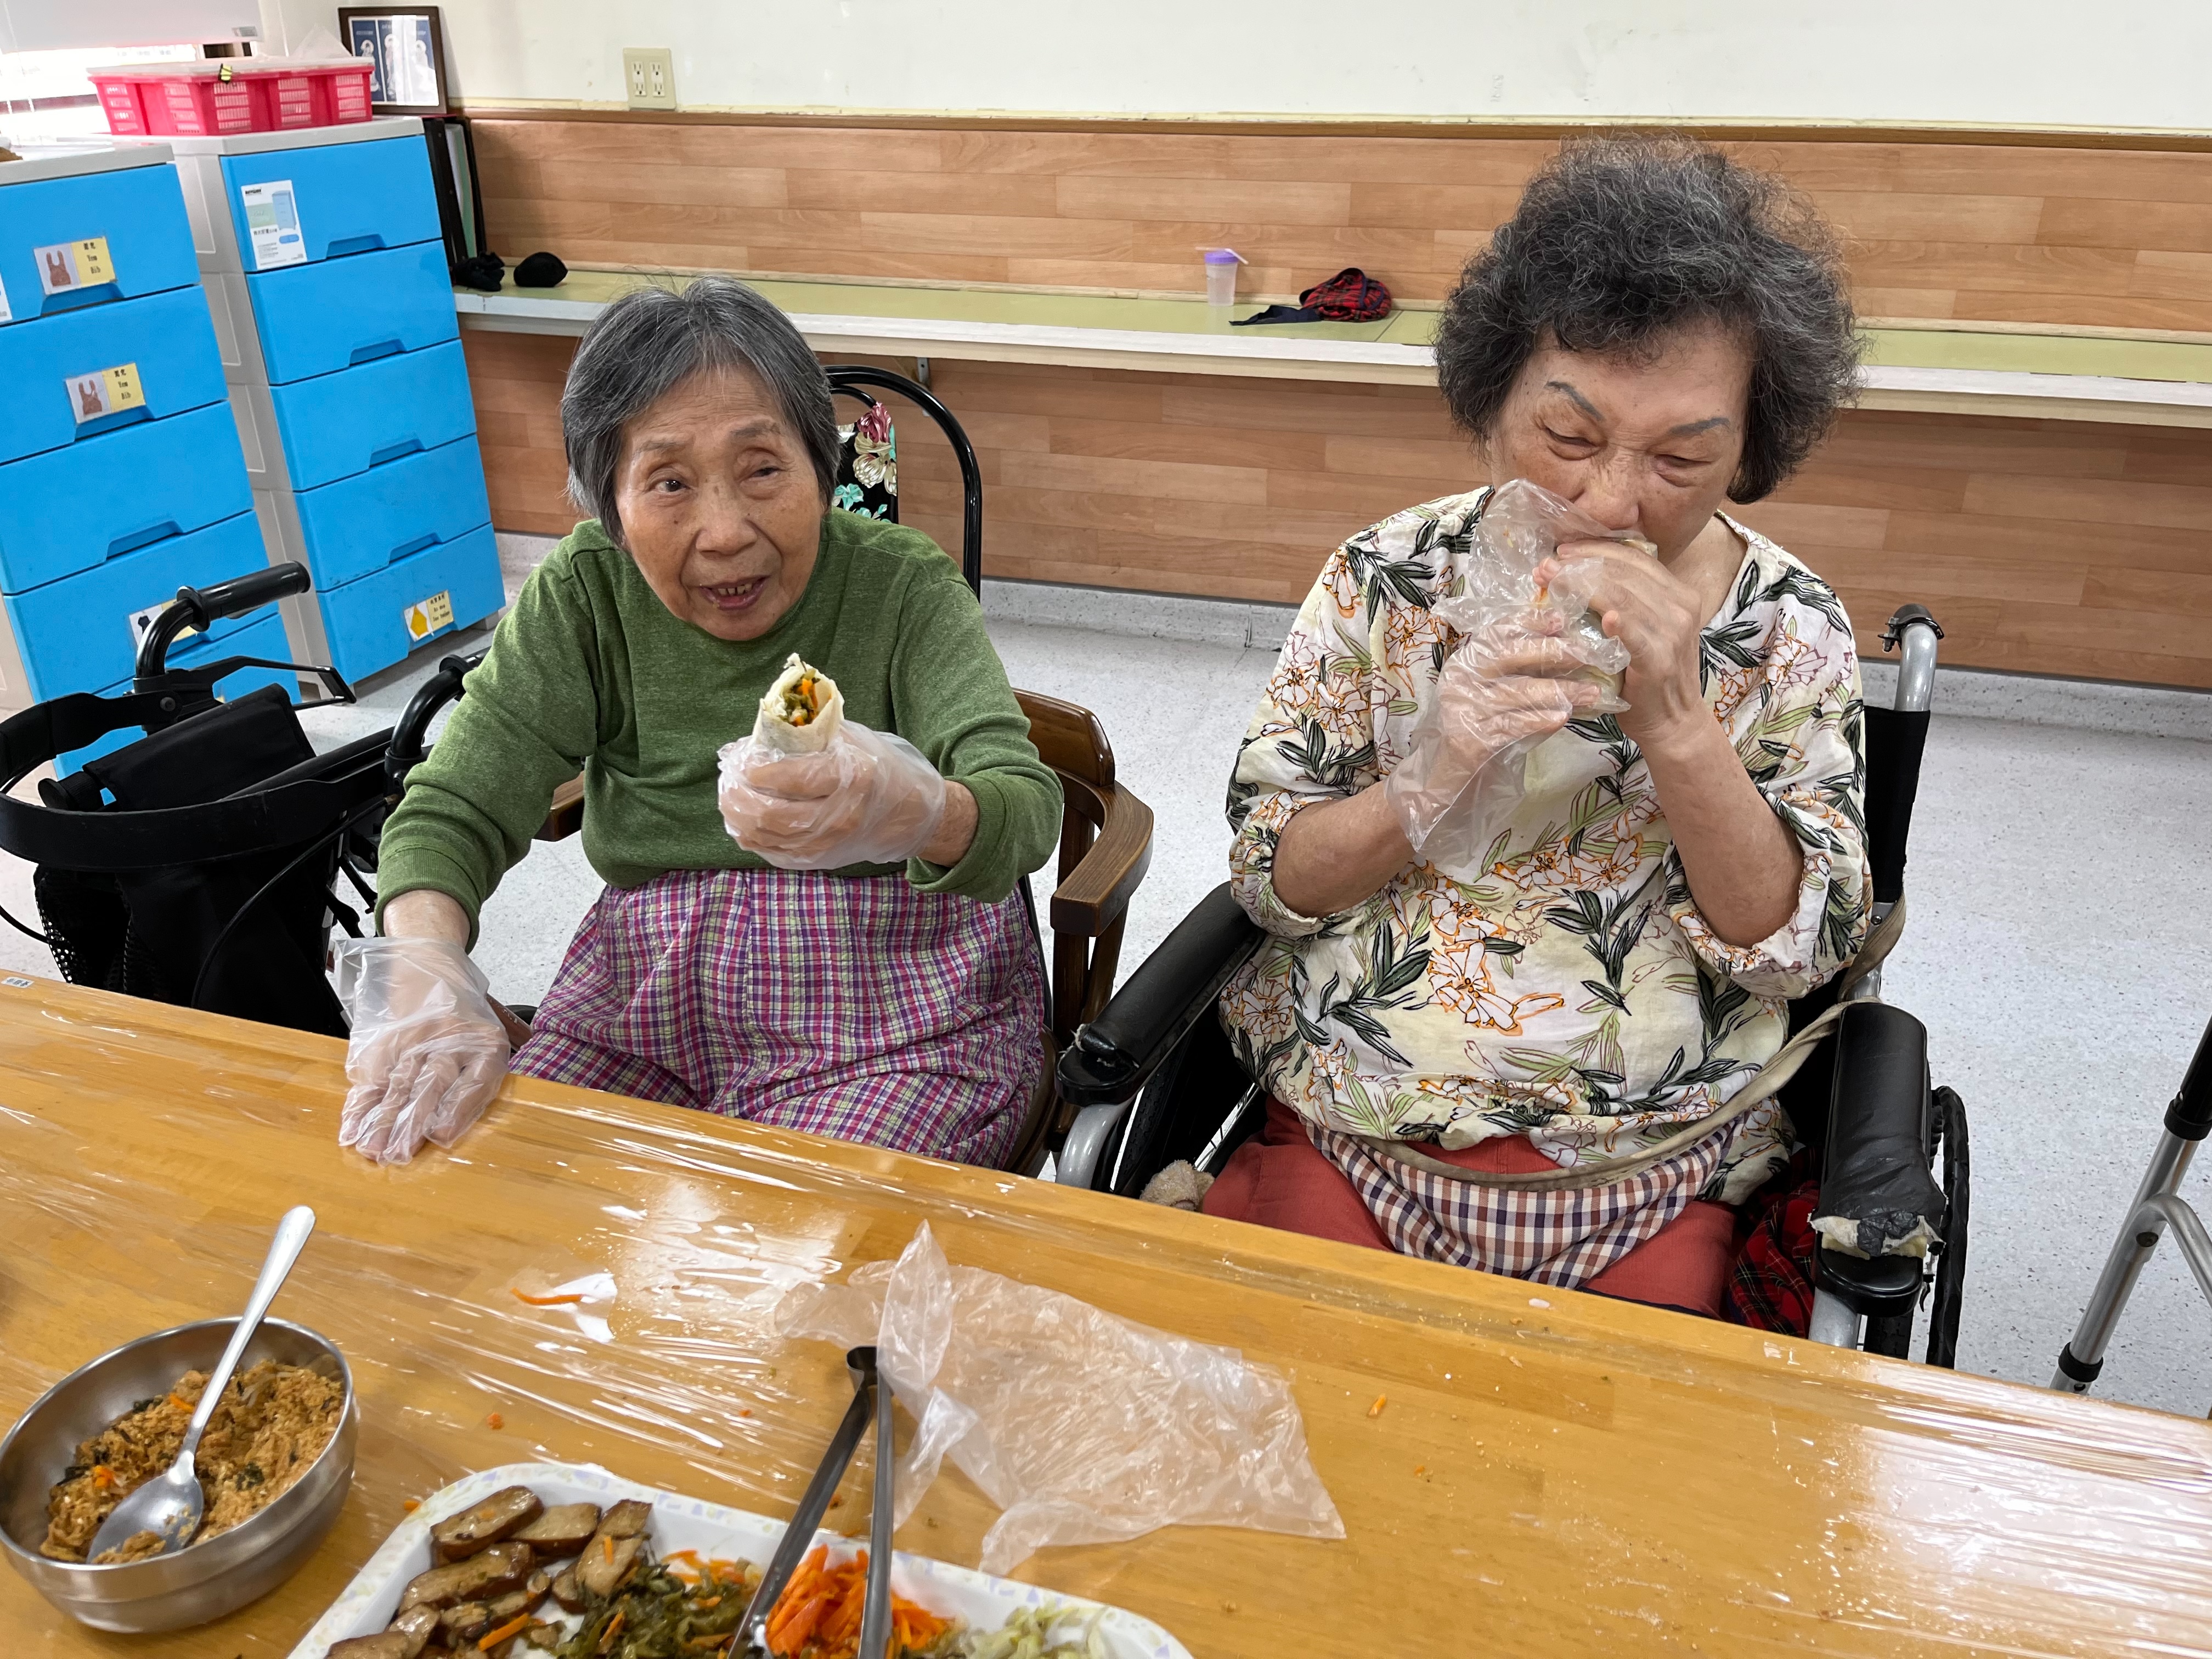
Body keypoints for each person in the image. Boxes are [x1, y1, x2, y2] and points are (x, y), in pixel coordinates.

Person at [1201, 134, 1869, 1317]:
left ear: (1748, 449)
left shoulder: (1791, 628)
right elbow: (1272, 883)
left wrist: (1677, 719)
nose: (1613, 503)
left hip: (1658, 1170)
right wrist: (1434, 766)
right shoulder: (1383, 580)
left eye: (1680, 458)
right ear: (1491, 400)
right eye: (1569, 440)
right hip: (1360, 1133)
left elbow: (1798, 951)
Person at [337, 277, 1060, 1167]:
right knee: (501, 1196)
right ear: (609, 506)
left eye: (762, 468)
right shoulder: (586, 591)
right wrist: (423, 968)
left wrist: (916, 811)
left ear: (821, 465)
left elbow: (1025, 807)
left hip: (895, 999)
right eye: (669, 482)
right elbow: (457, 804)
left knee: (799, 1249)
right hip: (643, 994)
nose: (724, 532)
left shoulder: (899, 584)